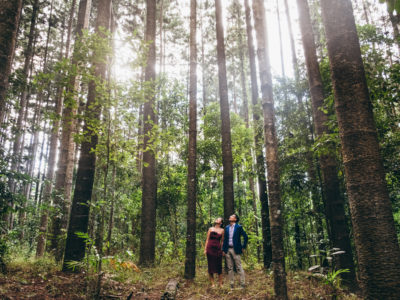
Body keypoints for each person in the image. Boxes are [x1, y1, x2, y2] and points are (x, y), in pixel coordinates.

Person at [222, 214, 248, 289]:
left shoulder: (239, 227)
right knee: (230, 268)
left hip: (235, 249)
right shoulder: (227, 227)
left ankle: (242, 284)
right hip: (227, 249)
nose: (230, 217)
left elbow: (245, 237)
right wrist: (224, 250)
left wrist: (243, 247)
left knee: (238, 267)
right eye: (230, 216)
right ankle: (231, 284)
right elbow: (225, 240)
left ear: (235, 219)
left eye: (232, 216)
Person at [204, 217, 224, 288]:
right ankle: (212, 284)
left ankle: (220, 283)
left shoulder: (222, 230)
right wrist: (205, 249)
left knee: (219, 266)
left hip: (218, 249)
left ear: (221, 223)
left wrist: (222, 250)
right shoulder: (210, 229)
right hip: (210, 248)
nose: (216, 219)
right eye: (216, 219)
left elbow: (222, 241)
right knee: (211, 266)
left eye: (218, 219)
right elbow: (207, 240)